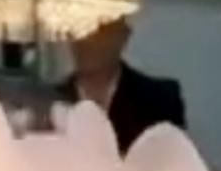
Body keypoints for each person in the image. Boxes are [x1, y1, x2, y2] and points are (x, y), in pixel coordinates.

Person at [61, 17, 186, 154]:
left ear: (122, 37)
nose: (86, 41)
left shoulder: (160, 100)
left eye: (99, 32)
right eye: (79, 31)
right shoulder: (48, 102)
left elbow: (172, 160)